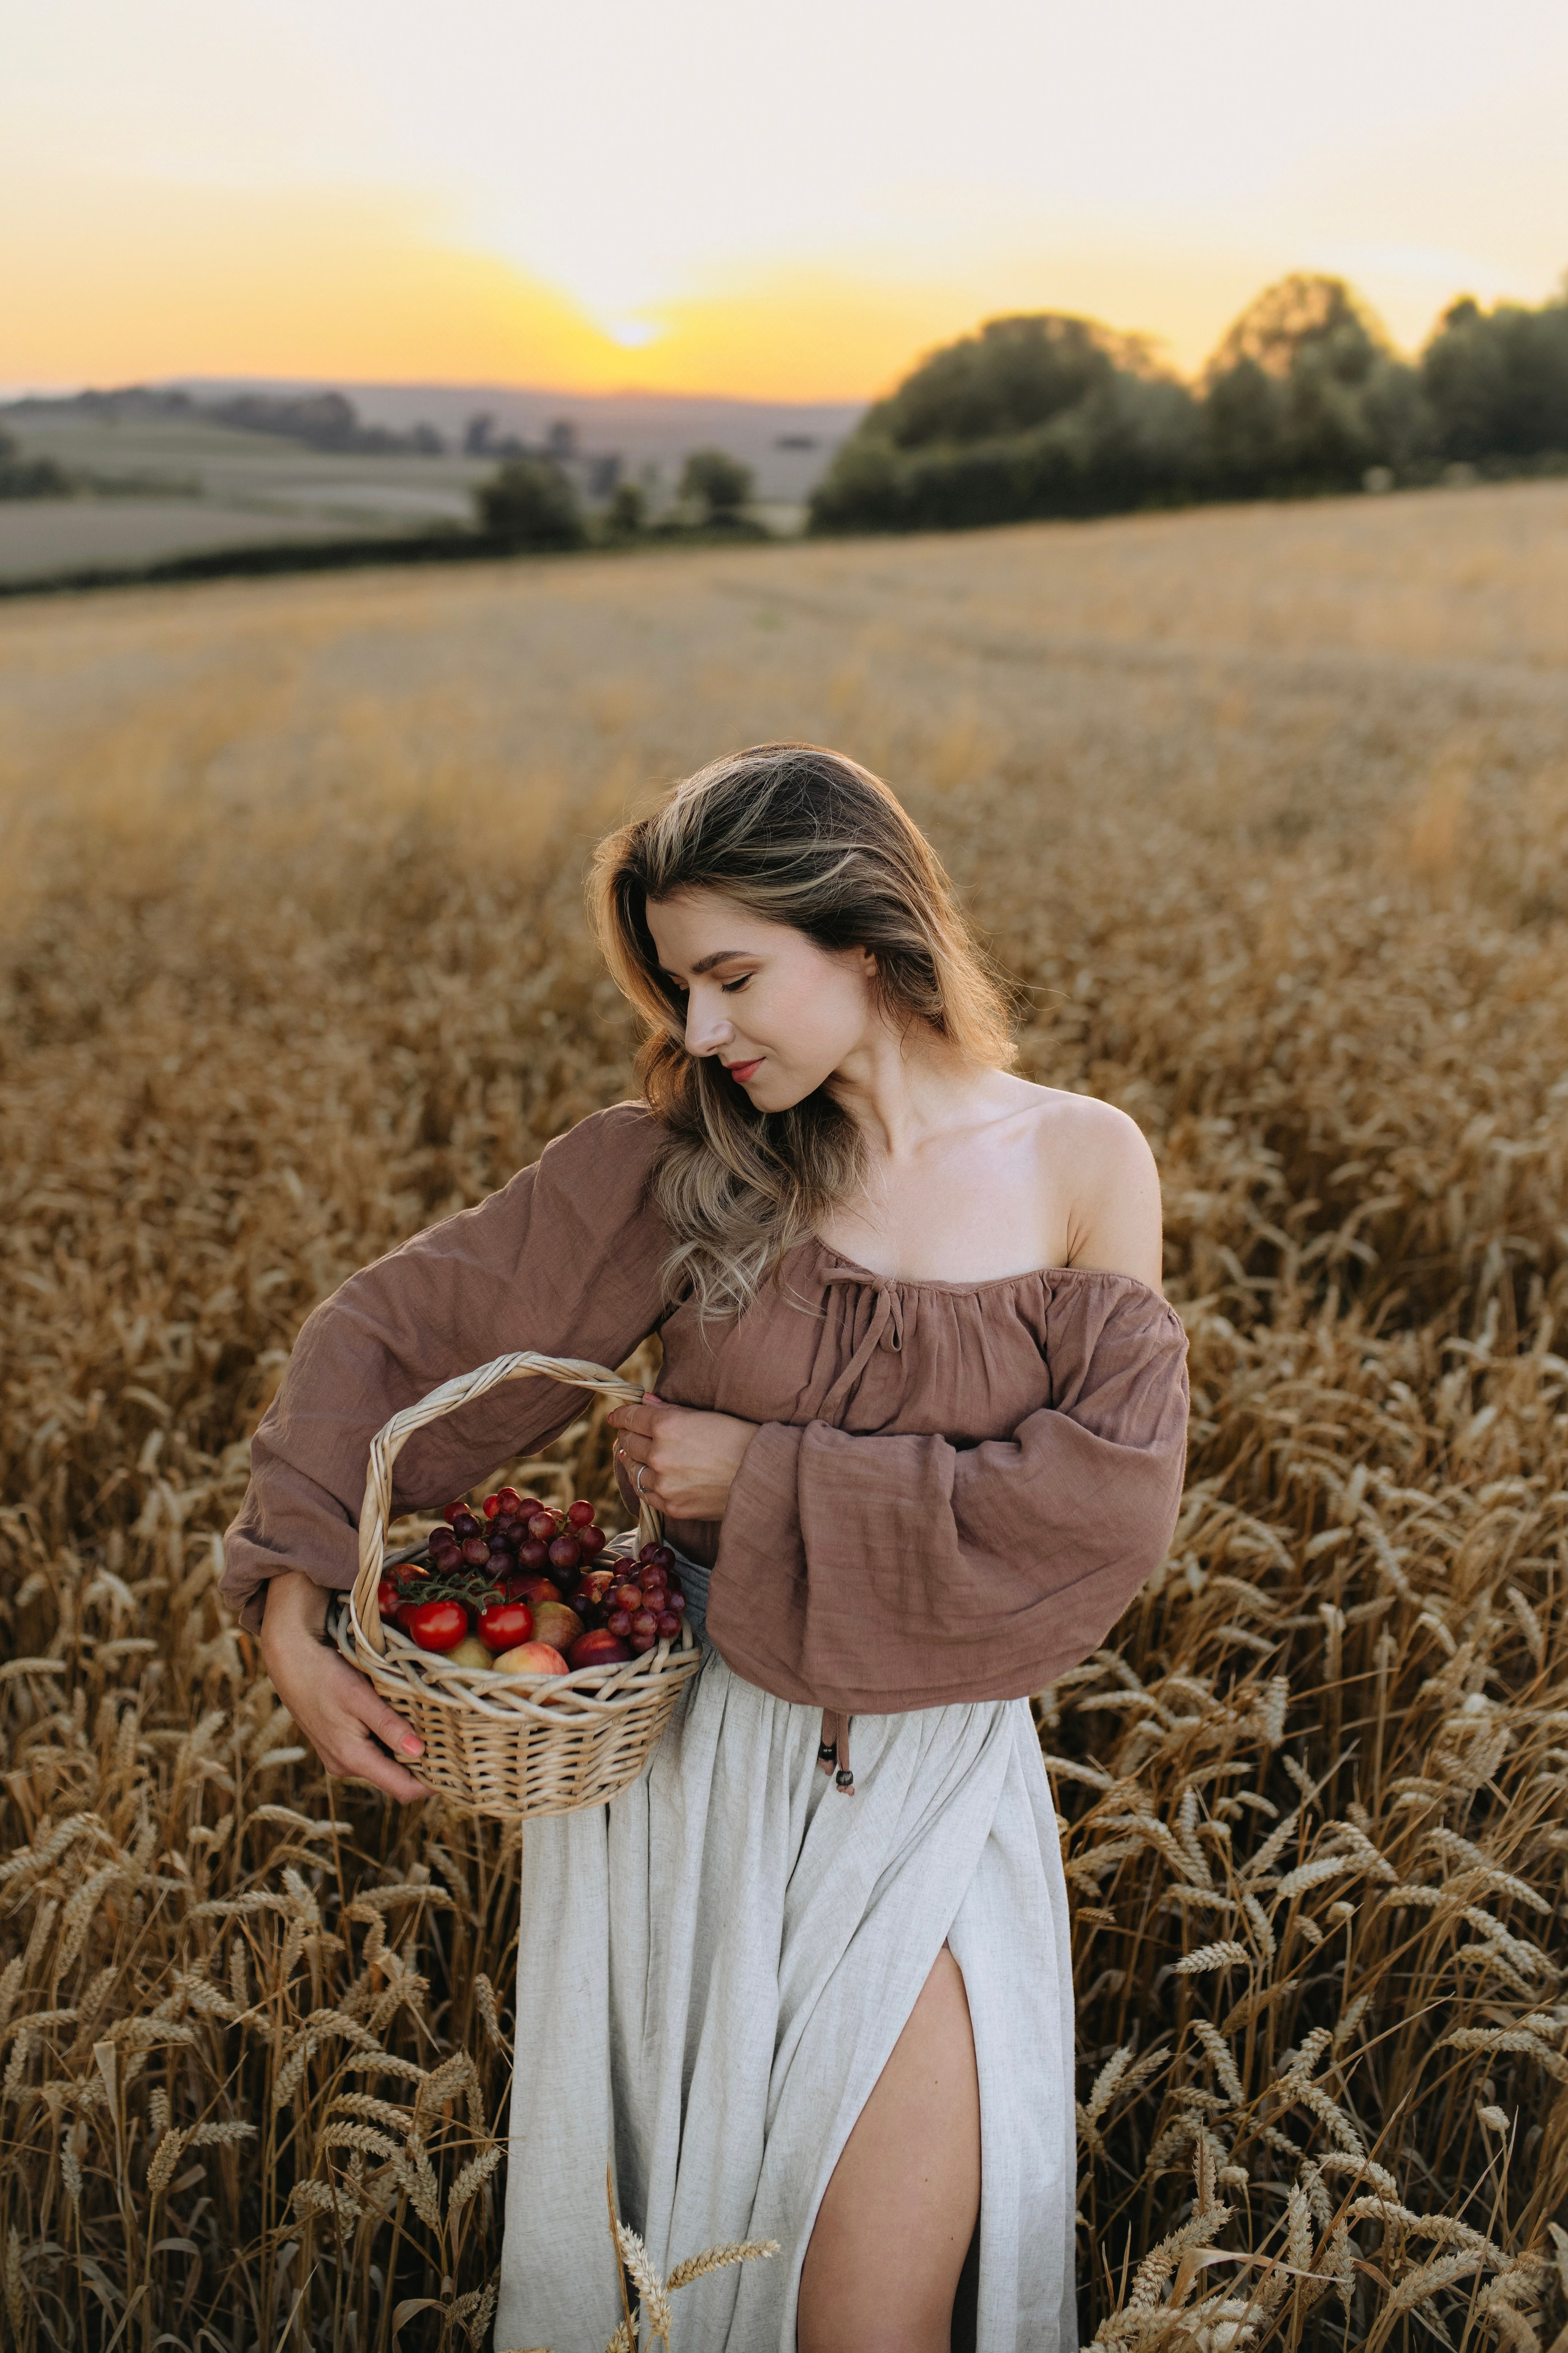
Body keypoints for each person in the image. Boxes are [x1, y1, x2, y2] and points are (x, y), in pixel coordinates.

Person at [222, 743, 1189, 2353]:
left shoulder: (1084, 1163)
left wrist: (765, 1474)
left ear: (870, 938)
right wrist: (292, 1608)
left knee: (859, 2324)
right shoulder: (683, 1167)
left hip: (935, 1797)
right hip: (696, 1775)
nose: (703, 1030)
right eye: (683, 988)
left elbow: (1104, 1507)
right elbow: (399, 1335)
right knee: (691, 2303)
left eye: (735, 976)